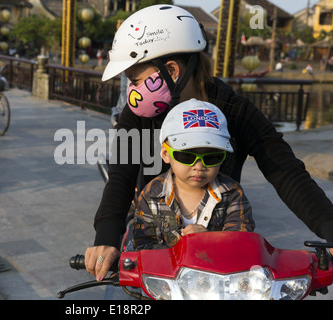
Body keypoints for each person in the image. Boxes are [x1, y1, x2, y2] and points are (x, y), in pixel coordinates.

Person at [84, 5, 333, 284]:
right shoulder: (140, 113)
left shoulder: (234, 109)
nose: (132, 92)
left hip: (219, 251)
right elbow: (120, 175)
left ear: (171, 70)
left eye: (136, 80)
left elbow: (286, 172)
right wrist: (106, 238)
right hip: (154, 248)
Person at [132, 99, 255, 251]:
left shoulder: (232, 193)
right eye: (186, 157)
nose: (199, 166)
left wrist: (210, 239)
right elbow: (143, 244)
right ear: (166, 154)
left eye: (212, 157)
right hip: (167, 274)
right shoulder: (152, 194)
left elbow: (242, 241)